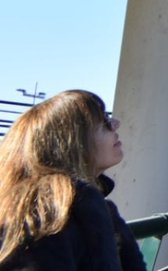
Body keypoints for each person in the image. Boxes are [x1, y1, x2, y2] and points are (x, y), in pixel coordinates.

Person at [0, 90, 144, 271]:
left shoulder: (23, 204)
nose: (116, 124)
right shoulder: (73, 203)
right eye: (103, 121)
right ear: (73, 140)